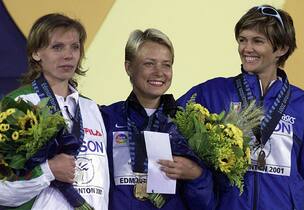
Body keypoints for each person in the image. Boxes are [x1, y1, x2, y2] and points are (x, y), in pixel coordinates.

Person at [178, 5, 304, 210]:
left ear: (281, 49)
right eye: (242, 40)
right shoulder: (213, 93)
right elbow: (168, 125)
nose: (246, 48)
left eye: (257, 41)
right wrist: (199, 175)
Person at [0, 13, 109, 209]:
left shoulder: (90, 108)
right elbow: (3, 191)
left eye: (74, 47)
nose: (68, 55)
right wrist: (49, 171)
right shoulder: (19, 104)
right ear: (36, 53)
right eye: (57, 47)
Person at [101, 28, 215, 210]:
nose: (159, 72)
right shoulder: (106, 118)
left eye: (166, 64)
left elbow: (206, 205)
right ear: (128, 67)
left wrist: (196, 175)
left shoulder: (188, 126)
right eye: (149, 64)